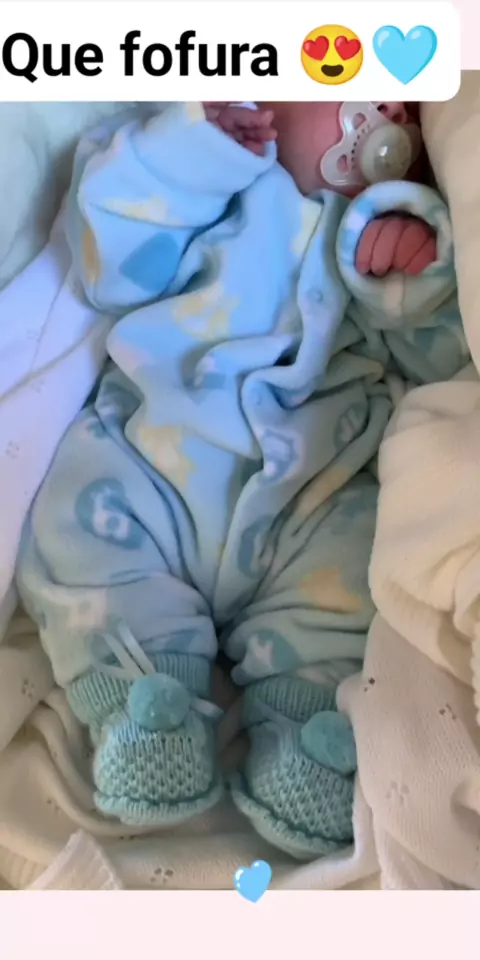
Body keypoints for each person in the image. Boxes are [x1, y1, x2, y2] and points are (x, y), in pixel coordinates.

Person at [16, 100, 464, 859]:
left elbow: (445, 367)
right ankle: (140, 700)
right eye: (354, 78)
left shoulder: (389, 233)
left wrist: (414, 283)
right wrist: (197, 152)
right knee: (81, 534)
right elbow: (107, 264)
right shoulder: (211, 185)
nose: (386, 111)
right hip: (159, 455)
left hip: (314, 493)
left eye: (405, 106)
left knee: (356, 577)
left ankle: (306, 723)